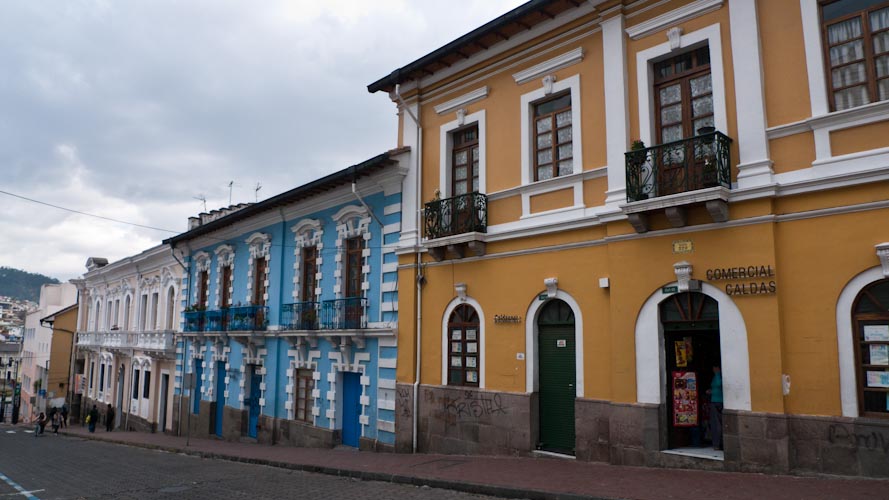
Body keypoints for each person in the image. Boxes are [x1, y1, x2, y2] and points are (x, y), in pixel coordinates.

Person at [707, 365, 724, 451]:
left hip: (717, 402)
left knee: (716, 424)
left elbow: (719, 384)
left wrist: (717, 373)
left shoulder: (718, 376)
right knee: (717, 424)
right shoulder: (717, 376)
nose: (713, 369)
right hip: (716, 400)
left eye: (715, 368)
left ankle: (718, 444)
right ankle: (718, 443)